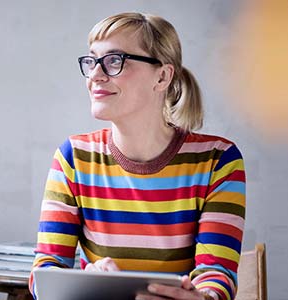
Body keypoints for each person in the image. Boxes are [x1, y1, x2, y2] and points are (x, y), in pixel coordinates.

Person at [29, 12, 245, 300]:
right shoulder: (73, 158)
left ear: (162, 76)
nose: (95, 75)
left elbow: (217, 275)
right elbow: (45, 271)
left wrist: (202, 298)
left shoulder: (218, 160)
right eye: (92, 61)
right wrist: (83, 280)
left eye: (115, 61)